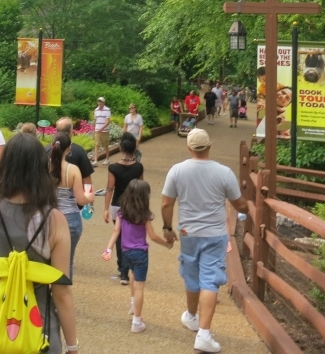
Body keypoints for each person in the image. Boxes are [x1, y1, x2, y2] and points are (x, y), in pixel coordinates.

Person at [0, 133, 78, 353]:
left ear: (5, 166)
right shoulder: (54, 220)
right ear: (42, 170)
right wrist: (72, 345)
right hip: (38, 332)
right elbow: (61, 293)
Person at [162, 128, 251, 353]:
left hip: (188, 233)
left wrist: (167, 228)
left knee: (191, 274)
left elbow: (166, 204)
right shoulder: (224, 172)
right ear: (209, 146)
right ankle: (203, 334)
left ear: (189, 147)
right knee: (209, 280)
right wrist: (246, 208)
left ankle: (191, 316)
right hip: (214, 234)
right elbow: (240, 204)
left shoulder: (177, 170)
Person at [103, 179, 171, 333]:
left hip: (126, 252)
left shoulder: (121, 212)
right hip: (140, 252)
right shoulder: (144, 215)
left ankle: (133, 304)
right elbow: (152, 236)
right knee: (140, 285)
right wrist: (166, 244)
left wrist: (109, 249)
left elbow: (116, 232)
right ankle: (137, 321)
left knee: (132, 273)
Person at [50, 131, 95, 279]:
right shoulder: (73, 170)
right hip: (70, 219)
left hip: (49, 217)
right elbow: (80, 200)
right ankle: (62, 297)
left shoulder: (45, 166)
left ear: (52, 146)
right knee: (66, 263)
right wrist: (90, 196)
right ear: (69, 148)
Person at [104, 132, 144, 285]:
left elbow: (109, 189)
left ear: (121, 148)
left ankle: (123, 271)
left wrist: (106, 209)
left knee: (120, 236)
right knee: (132, 237)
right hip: (134, 205)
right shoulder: (138, 167)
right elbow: (142, 188)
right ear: (134, 149)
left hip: (117, 206)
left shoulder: (113, 168)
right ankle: (132, 266)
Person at [55, 116, 94, 187]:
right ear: (71, 132)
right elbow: (86, 179)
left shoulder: (45, 150)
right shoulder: (79, 151)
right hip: (74, 194)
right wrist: (89, 195)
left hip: (50, 195)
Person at [93, 97, 112, 164]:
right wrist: (95, 129)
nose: (100, 103)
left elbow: (108, 121)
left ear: (104, 103)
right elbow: (95, 120)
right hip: (97, 130)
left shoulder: (107, 110)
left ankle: (107, 159)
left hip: (105, 131)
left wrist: (102, 128)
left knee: (105, 145)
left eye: (101, 102)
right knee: (96, 145)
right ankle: (95, 160)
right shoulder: (96, 110)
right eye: (99, 101)